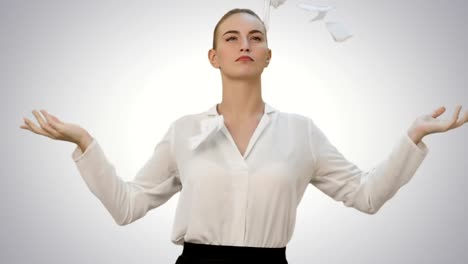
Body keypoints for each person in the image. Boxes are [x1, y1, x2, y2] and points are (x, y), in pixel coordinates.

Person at [20, 8, 467, 264]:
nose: (245, 45)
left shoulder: (301, 132)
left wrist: (414, 137)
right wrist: (84, 144)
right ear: (214, 56)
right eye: (232, 38)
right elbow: (127, 206)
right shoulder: (184, 131)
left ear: (268, 56)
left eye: (256, 38)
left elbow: (365, 196)